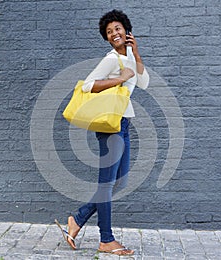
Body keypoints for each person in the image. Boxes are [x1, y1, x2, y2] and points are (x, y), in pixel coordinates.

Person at [56, 9, 149, 256]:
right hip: (110, 128)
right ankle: (106, 239)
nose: (114, 33)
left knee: (121, 181)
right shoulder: (110, 59)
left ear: (126, 31)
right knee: (107, 184)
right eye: (109, 32)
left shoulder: (128, 56)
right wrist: (119, 79)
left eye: (117, 29)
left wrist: (136, 52)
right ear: (106, 38)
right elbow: (87, 85)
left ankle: (77, 219)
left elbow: (144, 82)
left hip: (123, 125)